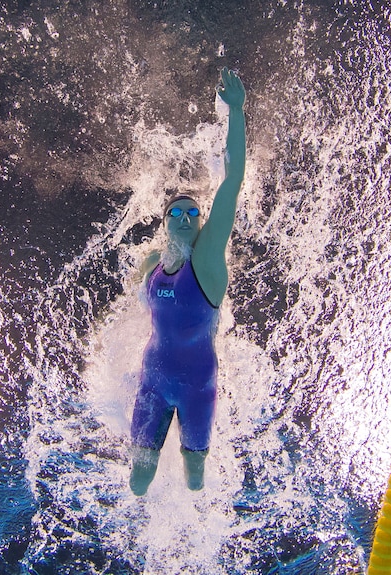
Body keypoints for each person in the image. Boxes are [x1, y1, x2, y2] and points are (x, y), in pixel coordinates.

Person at [129, 67, 246, 495]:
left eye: (192, 212)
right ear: (164, 223)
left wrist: (236, 111)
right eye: (175, 213)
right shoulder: (154, 262)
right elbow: (135, 303)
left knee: (195, 479)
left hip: (198, 385)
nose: (183, 217)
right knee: (138, 482)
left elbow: (232, 182)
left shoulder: (209, 261)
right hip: (152, 381)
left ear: (201, 224)